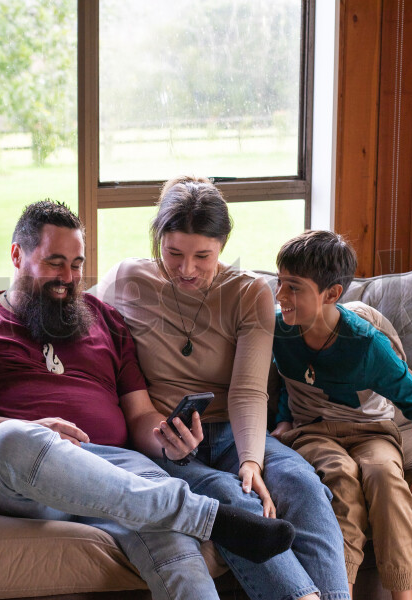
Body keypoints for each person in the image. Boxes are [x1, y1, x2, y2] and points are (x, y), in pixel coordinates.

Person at [0, 200, 295, 600]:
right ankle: (206, 516)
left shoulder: (105, 319)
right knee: (11, 440)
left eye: (77, 264)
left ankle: (187, 515)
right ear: (17, 255)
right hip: (23, 474)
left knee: (180, 561)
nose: (69, 278)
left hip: (117, 468)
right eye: (55, 263)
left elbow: (139, 413)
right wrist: (35, 430)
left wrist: (166, 441)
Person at [96, 176, 350, 600]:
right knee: (228, 494)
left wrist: (251, 459)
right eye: (173, 253)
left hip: (235, 430)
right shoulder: (127, 280)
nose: (186, 269)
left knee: (303, 486)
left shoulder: (248, 292)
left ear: (223, 245)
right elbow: (83, 329)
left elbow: (249, 390)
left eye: (203, 256)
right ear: (157, 238)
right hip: (164, 438)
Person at [270, 230, 412, 600]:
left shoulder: (366, 345)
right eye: (281, 282)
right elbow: (289, 379)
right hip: (313, 431)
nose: (280, 295)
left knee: (384, 475)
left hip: (372, 431)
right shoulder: (278, 330)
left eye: (294, 287)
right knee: (340, 479)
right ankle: (339, 594)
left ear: (332, 294)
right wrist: (283, 418)